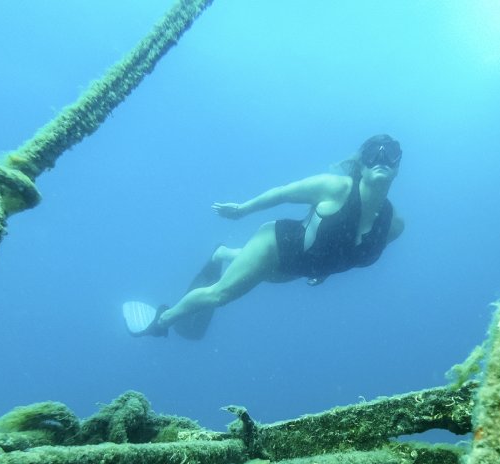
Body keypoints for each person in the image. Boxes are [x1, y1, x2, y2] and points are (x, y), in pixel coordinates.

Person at [123, 134, 406, 339]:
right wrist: (242, 210)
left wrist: (327, 272)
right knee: (220, 294)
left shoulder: (392, 226)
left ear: (398, 166)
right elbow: (284, 192)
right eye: (373, 153)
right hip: (276, 246)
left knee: (264, 276)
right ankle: (161, 321)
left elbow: (347, 252)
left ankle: (223, 253)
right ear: (362, 163)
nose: (381, 159)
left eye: (390, 153)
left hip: (299, 267)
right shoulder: (335, 187)